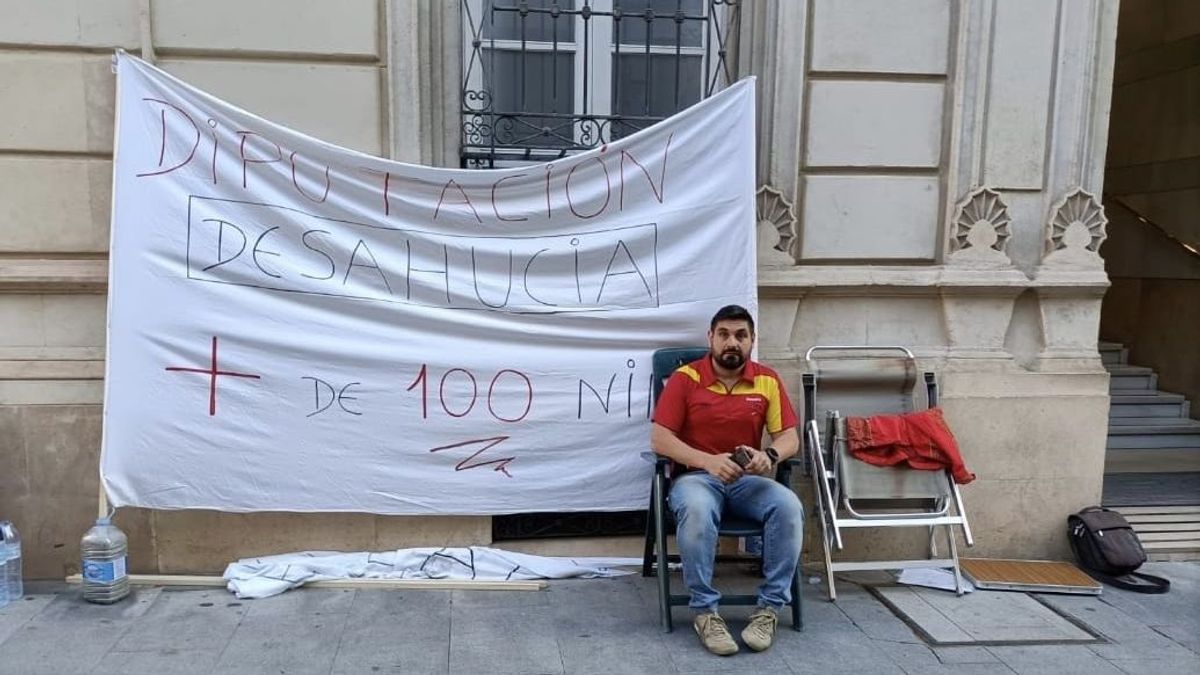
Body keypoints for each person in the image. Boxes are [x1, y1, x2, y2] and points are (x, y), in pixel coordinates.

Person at [651, 304, 803, 656]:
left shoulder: (767, 379)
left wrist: (770, 456)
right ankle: (705, 612)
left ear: (752, 341)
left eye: (740, 335)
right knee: (699, 512)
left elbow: (790, 438)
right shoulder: (685, 379)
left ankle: (769, 610)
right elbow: (660, 439)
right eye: (724, 334)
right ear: (711, 338)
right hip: (696, 478)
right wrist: (708, 461)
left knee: (789, 507)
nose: (731, 342)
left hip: (747, 481)